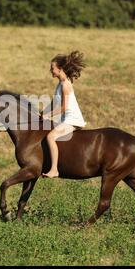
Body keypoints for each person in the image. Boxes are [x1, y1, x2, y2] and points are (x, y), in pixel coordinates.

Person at [41, 50, 87, 178]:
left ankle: (54, 170)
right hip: (65, 119)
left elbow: (63, 107)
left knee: (50, 137)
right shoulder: (59, 84)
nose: (51, 70)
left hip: (72, 120)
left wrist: (49, 115)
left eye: (52, 68)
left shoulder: (65, 85)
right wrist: (43, 113)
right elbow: (53, 103)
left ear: (60, 69)